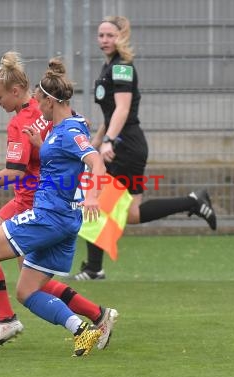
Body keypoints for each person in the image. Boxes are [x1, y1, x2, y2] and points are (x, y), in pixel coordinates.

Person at [0, 51, 118, 349]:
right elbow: (64, 154)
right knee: (28, 290)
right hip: (61, 217)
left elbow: (93, 162)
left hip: (44, 213)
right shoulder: (66, 124)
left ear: (48, 101)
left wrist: (93, 195)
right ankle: (85, 327)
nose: (35, 106)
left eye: (38, 101)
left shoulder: (59, 129)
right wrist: (42, 145)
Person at [72, 16, 217, 281]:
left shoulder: (122, 68)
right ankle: (193, 201)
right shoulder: (109, 68)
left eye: (110, 35)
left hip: (125, 147)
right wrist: (97, 140)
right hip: (124, 144)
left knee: (95, 198)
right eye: (101, 35)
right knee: (130, 213)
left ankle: (94, 269)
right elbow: (110, 113)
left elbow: (123, 109)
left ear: (120, 38)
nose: (104, 40)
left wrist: (108, 142)